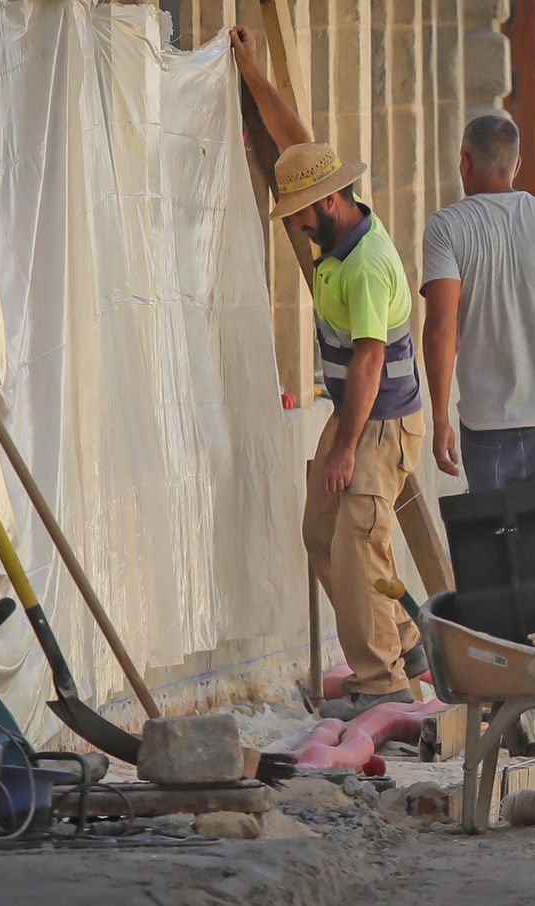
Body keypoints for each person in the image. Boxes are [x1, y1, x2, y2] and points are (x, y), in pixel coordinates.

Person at [232, 26, 427, 721]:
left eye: (301, 214)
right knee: (322, 533)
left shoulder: (366, 264)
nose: (298, 226)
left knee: (357, 543)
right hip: (355, 414)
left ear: (330, 202)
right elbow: (296, 141)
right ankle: (405, 639)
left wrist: (345, 447)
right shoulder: (335, 224)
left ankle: (382, 682)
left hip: (379, 421)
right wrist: (254, 76)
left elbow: (370, 359)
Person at [421, 113, 535, 491]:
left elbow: (441, 329)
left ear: (465, 161)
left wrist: (439, 419)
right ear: (517, 165)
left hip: (489, 422)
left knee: (495, 526)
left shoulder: (446, 227)